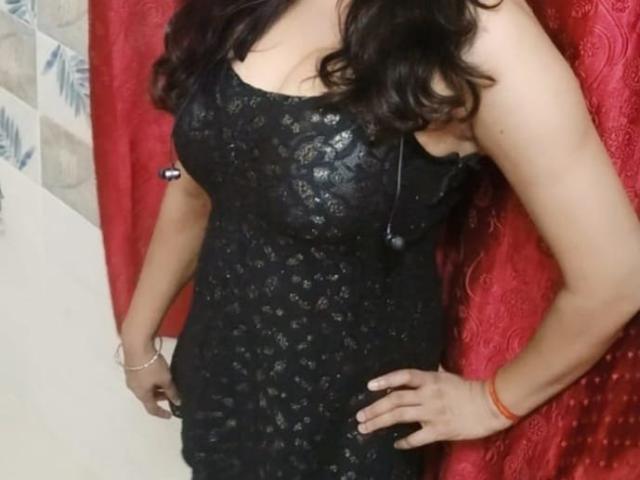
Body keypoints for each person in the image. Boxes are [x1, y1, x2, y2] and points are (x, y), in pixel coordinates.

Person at [115, 0, 640, 478]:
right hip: (220, 385)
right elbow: (198, 188)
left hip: (347, 434)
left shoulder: (478, 33)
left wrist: (492, 401)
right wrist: (139, 330)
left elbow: (617, 276)